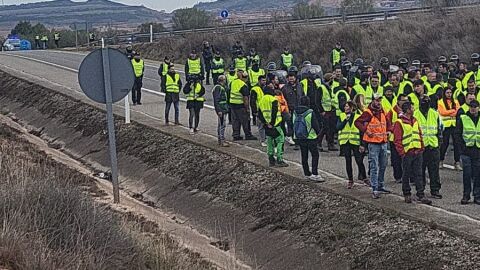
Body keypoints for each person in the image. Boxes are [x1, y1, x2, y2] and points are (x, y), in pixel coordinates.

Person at [393, 102, 432, 204]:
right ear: (408, 110)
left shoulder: (414, 120)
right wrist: (402, 153)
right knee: (406, 174)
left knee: (418, 173)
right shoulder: (399, 122)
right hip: (407, 152)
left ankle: (421, 194)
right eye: (412, 108)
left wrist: (421, 147)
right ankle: (407, 193)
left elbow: (419, 134)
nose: (414, 109)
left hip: (417, 151)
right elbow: (397, 139)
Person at [355, 94, 390, 199]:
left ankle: (380, 186)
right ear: (372, 101)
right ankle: (375, 188)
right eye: (376, 100)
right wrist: (366, 131)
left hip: (383, 142)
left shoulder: (382, 111)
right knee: (374, 166)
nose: (378, 102)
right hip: (373, 144)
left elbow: (387, 123)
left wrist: (389, 131)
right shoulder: (368, 113)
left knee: (383, 165)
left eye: (380, 100)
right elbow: (357, 122)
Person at [414, 96, 443, 199]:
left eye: (426, 102)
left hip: (433, 146)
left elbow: (440, 129)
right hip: (420, 147)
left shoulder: (435, 114)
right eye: (423, 102)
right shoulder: (415, 114)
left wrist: (439, 144)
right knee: (419, 171)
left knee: (434, 170)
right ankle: (420, 191)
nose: (425, 104)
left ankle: (435, 190)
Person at [455, 99, 480, 205]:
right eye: (471, 107)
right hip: (467, 150)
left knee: (478, 174)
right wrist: (462, 148)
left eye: (475, 107)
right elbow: (458, 134)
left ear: (478, 108)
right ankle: (466, 195)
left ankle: (477, 196)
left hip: (478, 150)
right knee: (467, 174)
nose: (473, 109)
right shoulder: (463, 118)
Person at [338, 101, 367, 188]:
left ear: (352, 108)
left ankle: (364, 178)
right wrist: (345, 121)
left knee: (359, 161)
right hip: (346, 141)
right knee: (348, 161)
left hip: (355, 142)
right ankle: (350, 180)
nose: (345, 108)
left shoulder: (358, 117)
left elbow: (362, 132)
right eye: (345, 106)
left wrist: (363, 144)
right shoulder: (342, 116)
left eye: (347, 106)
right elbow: (338, 127)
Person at [259, 81, 288, 167]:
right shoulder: (273, 99)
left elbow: (260, 114)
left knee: (270, 142)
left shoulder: (261, 100)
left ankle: (271, 159)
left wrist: (266, 123)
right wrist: (271, 123)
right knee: (280, 140)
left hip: (267, 125)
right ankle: (279, 159)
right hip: (275, 124)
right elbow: (274, 112)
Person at [294, 96, 323, 181]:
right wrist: (318, 134)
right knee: (315, 155)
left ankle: (306, 173)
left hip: (299, 136)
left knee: (304, 155)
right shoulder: (310, 112)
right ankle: (315, 173)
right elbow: (315, 125)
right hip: (310, 136)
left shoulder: (295, 112)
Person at [229, 70, 257, 141]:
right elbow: (245, 98)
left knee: (235, 121)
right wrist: (247, 108)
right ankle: (248, 134)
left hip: (232, 104)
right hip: (240, 106)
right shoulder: (243, 85)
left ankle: (236, 135)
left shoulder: (233, 82)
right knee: (245, 120)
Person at [438, 87, 461, 170]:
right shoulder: (440, 102)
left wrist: (450, 112)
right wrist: (452, 111)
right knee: (445, 144)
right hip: (446, 126)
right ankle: (441, 160)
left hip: (454, 125)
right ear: (444, 93)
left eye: (450, 92)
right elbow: (442, 112)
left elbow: (458, 111)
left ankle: (457, 162)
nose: (449, 94)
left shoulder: (455, 101)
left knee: (456, 144)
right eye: (447, 92)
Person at [282, 71, 303, 149]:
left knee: (299, 125)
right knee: (291, 125)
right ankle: (293, 140)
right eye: (289, 77)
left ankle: (298, 140)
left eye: (292, 77)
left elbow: (302, 95)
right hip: (290, 109)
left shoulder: (300, 86)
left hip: (299, 109)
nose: (291, 79)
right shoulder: (285, 88)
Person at [213, 75, 229, 146]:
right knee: (222, 124)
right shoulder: (218, 88)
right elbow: (216, 100)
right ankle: (221, 140)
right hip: (221, 109)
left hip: (223, 108)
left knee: (221, 124)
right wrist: (219, 110)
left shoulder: (221, 87)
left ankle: (221, 139)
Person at [251, 76, 267, 146]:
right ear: (259, 81)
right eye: (263, 80)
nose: (264, 82)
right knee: (261, 126)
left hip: (266, 110)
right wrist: (255, 111)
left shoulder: (265, 88)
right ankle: (263, 140)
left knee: (266, 125)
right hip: (259, 110)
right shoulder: (255, 89)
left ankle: (265, 139)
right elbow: (252, 101)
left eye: (265, 80)